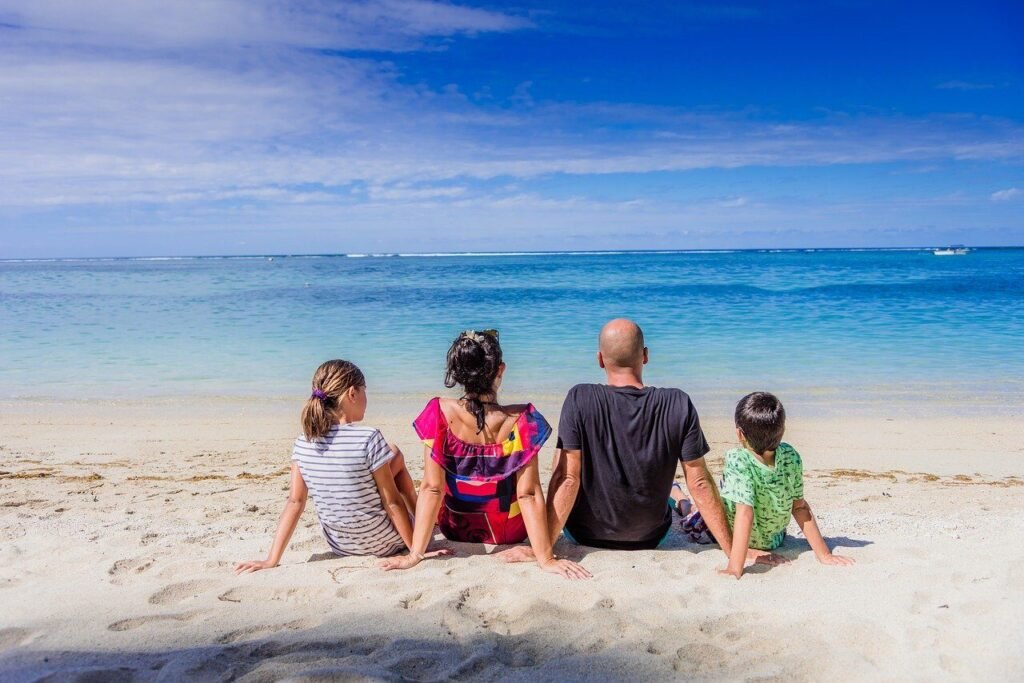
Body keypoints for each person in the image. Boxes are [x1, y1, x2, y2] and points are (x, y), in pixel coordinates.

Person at [504, 319, 773, 570]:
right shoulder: (678, 403)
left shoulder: (579, 398)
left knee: (564, 463)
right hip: (651, 537)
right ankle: (676, 495)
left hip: (583, 534)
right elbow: (700, 483)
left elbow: (568, 479)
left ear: (600, 360)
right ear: (645, 355)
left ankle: (674, 495)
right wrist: (735, 551)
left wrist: (543, 548)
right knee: (674, 494)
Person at [378, 330, 591, 580]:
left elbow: (431, 489)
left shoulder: (439, 412)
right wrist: (545, 558)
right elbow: (528, 493)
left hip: (455, 528)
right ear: (500, 370)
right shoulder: (521, 419)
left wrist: (415, 553)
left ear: (458, 372)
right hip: (509, 532)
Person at [235, 359, 447, 573]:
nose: (366, 397)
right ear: (352, 394)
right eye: (364, 391)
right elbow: (391, 502)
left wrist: (271, 559)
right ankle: (420, 523)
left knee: (393, 454)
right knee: (394, 455)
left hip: (341, 546)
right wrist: (414, 553)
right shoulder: (368, 437)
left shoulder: (303, 443)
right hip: (386, 542)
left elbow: (295, 502)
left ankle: (420, 519)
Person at [717, 391, 856, 579]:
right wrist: (824, 554)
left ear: (740, 434)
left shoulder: (737, 458)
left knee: (700, 512)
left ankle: (680, 498)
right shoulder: (790, 456)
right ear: (782, 431)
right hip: (775, 539)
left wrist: (735, 568)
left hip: (737, 536)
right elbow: (799, 507)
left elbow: (745, 512)